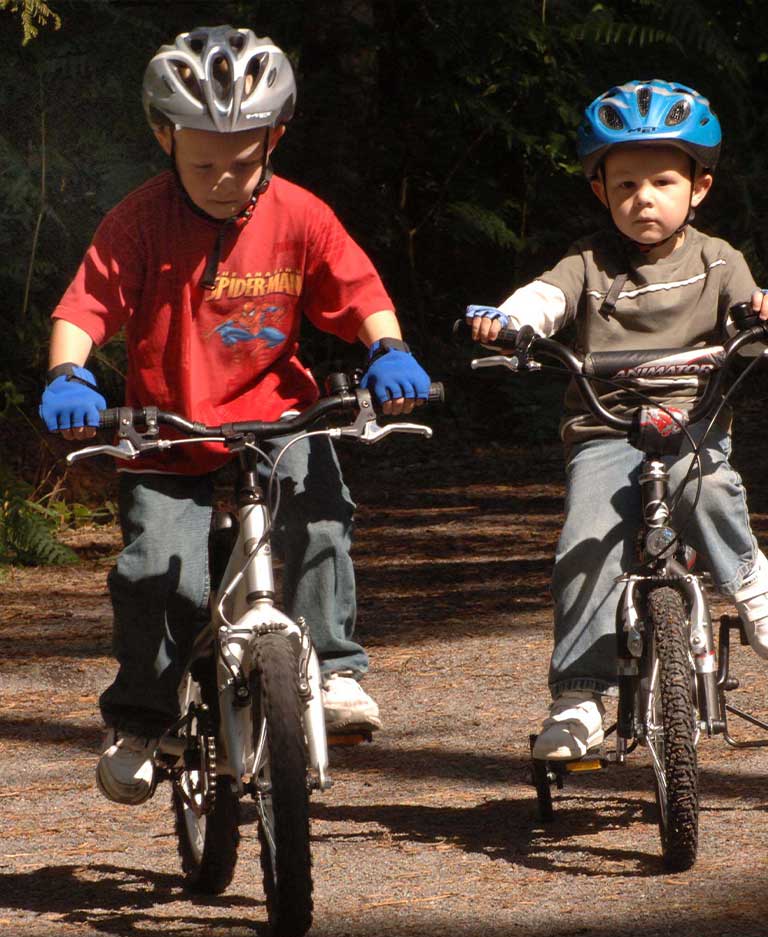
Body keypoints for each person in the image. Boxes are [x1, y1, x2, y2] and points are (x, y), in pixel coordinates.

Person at [40, 26, 431, 805]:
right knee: (157, 572)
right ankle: (142, 719)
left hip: (279, 420)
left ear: (274, 138)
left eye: (243, 161)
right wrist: (67, 373)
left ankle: (335, 672)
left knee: (319, 522)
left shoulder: (300, 215)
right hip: (168, 431)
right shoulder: (140, 221)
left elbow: (358, 291)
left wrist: (389, 350)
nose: (223, 179)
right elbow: (85, 305)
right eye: (203, 163)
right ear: (165, 138)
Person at [466, 79, 768, 761]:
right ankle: (578, 696)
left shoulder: (719, 260)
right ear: (600, 191)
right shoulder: (588, 263)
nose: (644, 198)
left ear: (700, 188)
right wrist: (508, 321)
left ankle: (752, 585)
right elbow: (544, 299)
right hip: (605, 429)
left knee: (706, 485)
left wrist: (760, 314)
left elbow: (749, 318)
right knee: (587, 542)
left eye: (663, 181)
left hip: (692, 420)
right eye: (626, 184)